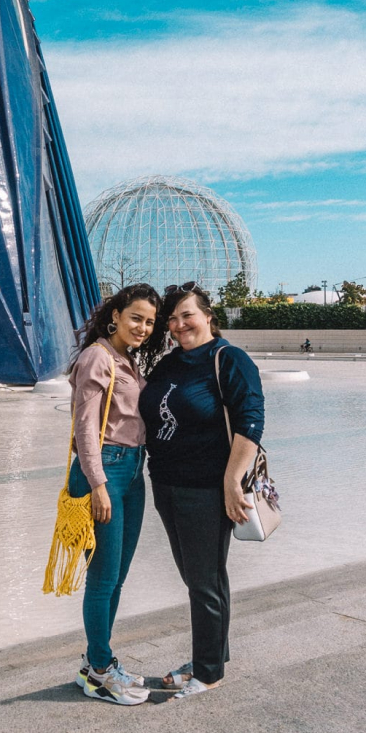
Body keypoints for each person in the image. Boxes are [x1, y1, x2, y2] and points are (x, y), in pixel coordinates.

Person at [139, 281, 265, 700]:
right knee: (203, 578)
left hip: (207, 489)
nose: (178, 325)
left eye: (186, 315)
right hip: (168, 485)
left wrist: (231, 482)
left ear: (208, 316)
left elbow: (251, 422)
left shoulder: (229, 359)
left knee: (203, 581)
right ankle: (212, 656)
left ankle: (208, 672)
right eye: (172, 319)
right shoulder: (170, 364)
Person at [67, 283, 165, 705]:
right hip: (104, 470)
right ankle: (100, 672)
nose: (143, 327)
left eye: (149, 321)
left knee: (117, 575)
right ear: (116, 315)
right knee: (103, 577)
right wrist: (98, 484)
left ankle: (97, 662)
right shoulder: (97, 358)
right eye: (136, 318)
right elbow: (85, 428)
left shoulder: (126, 359)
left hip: (132, 470)